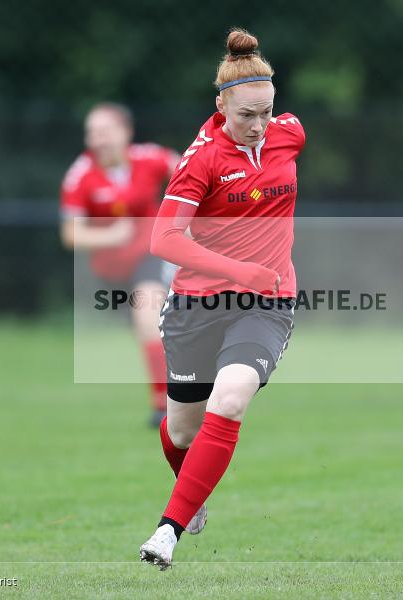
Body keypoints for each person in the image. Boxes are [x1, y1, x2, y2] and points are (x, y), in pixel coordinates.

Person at [138, 28, 304, 569]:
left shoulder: (290, 134)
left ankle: (167, 531)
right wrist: (239, 270)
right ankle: (194, 488)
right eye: (246, 115)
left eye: (266, 112)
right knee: (180, 430)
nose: (258, 126)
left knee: (231, 396)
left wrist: (262, 275)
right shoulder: (201, 160)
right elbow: (163, 240)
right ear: (221, 105)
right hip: (197, 306)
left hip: (269, 301)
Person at [60, 102, 178, 427]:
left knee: (147, 316)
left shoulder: (148, 157)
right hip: (112, 272)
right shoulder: (80, 176)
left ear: (125, 132)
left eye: (104, 131)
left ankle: (163, 407)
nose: (97, 139)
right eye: (92, 133)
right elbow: (70, 235)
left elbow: (186, 169)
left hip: (151, 253)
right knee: (150, 331)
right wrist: (110, 237)